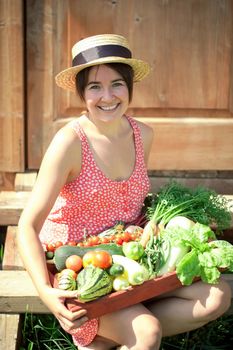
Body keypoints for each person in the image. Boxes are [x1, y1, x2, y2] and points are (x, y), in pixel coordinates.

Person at [17, 34, 231, 350]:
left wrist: (154, 223)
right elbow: (27, 226)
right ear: (81, 93)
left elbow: (129, 200)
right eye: (94, 87)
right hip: (79, 268)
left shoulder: (142, 134)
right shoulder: (69, 143)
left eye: (117, 84)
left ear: (129, 87)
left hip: (130, 255)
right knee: (148, 333)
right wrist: (46, 293)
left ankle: (111, 336)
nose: (107, 96)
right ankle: (125, 330)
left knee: (217, 296)